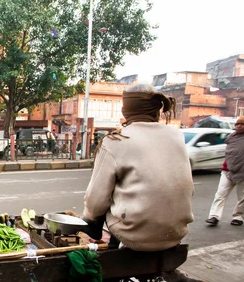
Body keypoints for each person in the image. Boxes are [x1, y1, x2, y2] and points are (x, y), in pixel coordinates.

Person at [82, 84, 194, 251]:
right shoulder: (176, 135)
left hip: (136, 236)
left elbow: (96, 201)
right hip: (176, 232)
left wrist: (89, 219)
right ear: (157, 109)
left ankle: (113, 252)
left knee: (97, 208)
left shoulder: (116, 140)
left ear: (125, 111)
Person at [205, 116, 244, 226]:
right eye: (237, 124)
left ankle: (238, 217)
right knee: (220, 194)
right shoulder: (231, 137)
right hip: (227, 171)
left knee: (243, 197)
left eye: (242, 124)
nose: (239, 126)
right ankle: (214, 216)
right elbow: (230, 153)